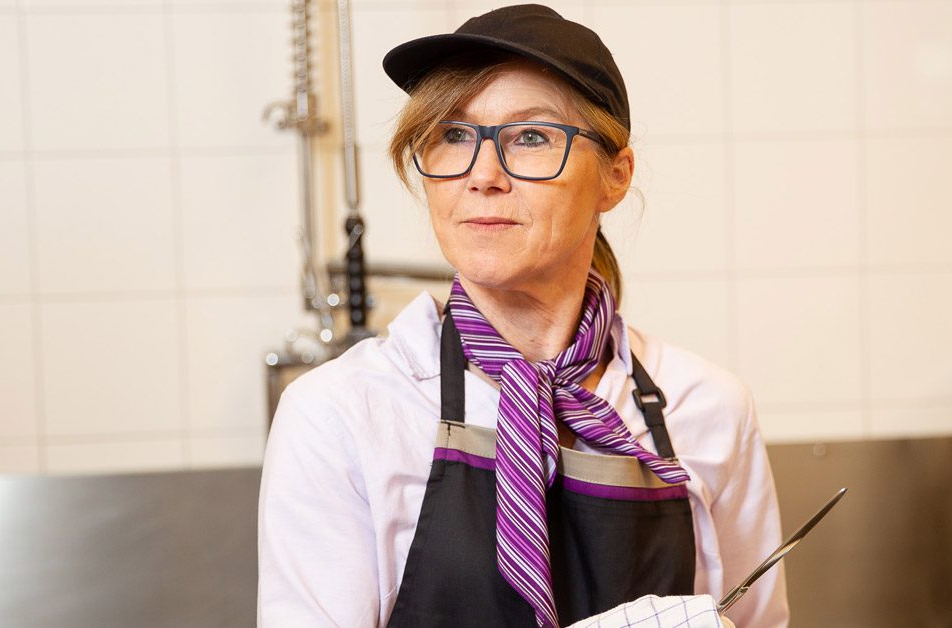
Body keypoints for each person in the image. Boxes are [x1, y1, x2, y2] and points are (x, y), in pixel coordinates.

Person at [257, 4, 789, 627]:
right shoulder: (343, 413)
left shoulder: (707, 410)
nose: (482, 175)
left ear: (615, 177)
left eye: (531, 137)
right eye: (453, 134)